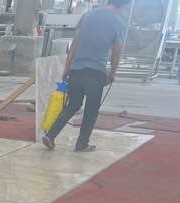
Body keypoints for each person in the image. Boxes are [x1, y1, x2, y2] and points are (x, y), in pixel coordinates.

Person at [43, 0, 130, 152]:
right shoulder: (118, 21)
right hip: (96, 72)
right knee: (91, 110)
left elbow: (74, 44)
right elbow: (116, 51)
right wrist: (112, 73)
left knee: (72, 106)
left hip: (76, 69)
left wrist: (67, 68)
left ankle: (50, 135)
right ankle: (82, 144)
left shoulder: (87, 15)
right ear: (123, 5)